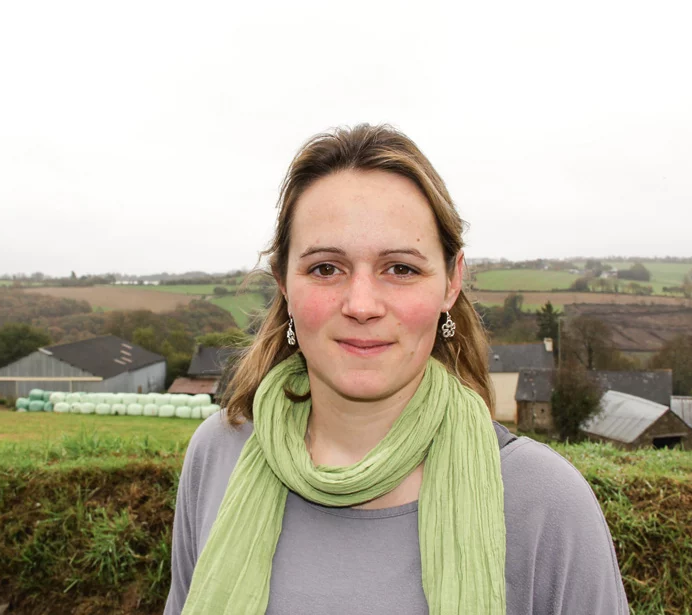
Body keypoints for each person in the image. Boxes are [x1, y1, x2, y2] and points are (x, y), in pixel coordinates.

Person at [164, 124, 629, 614]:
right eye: (326, 267)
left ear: (451, 282)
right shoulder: (217, 455)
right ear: (283, 283)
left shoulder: (547, 504)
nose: (361, 305)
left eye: (400, 268)